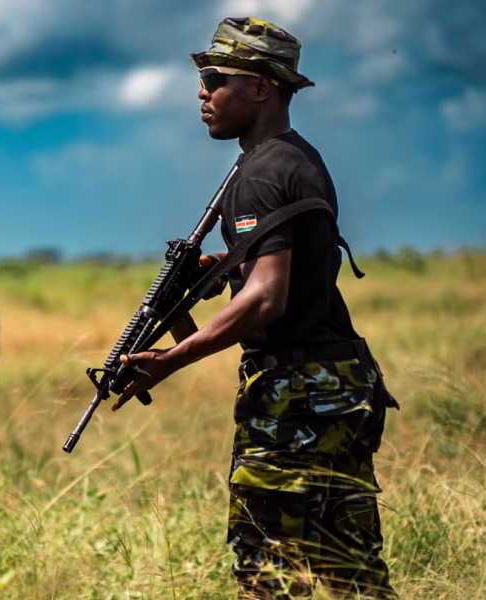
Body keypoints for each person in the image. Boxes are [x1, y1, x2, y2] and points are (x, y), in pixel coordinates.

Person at [113, 17, 398, 598]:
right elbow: (288, 258)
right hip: (339, 383)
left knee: (267, 574)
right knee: (351, 572)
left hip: (294, 398)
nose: (202, 92)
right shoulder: (295, 159)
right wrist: (228, 263)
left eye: (216, 78)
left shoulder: (258, 174)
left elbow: (269, 295)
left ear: (262, 88)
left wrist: (173, 358)